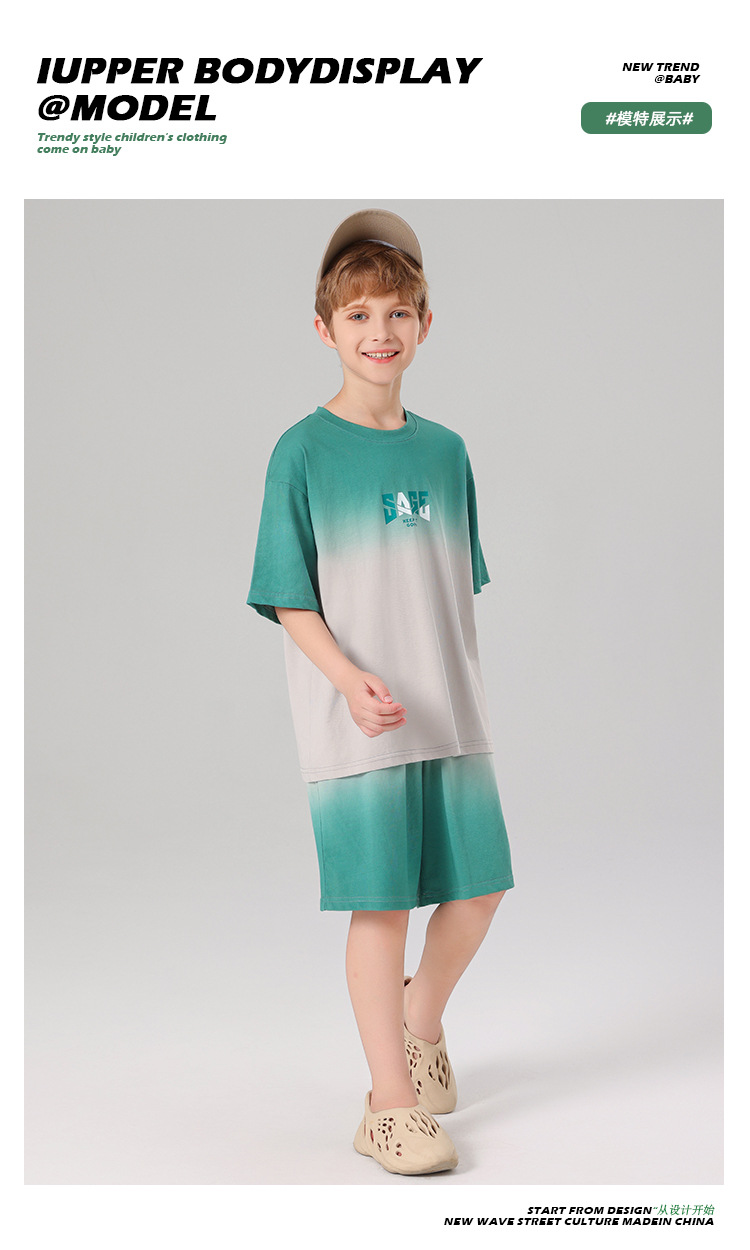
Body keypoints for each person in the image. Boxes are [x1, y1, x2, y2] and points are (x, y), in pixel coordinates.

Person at [247, 209, 514, 1175]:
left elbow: (447, 587)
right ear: (325, 329)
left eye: (398, 313)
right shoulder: (301, 453)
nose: (380, 332)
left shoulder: (446, 451)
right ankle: (388, 1106)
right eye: (358, 315)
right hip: (357, 721)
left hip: (449, 710)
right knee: (383, 907)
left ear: (425, 324)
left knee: (479, 892)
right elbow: (289, 595)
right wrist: (349, 680)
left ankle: (419, 1023)